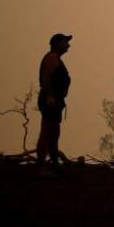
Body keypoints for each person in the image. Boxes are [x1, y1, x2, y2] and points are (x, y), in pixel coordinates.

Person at [36, 33, 73, 173]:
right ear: (57, 43)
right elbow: (46, 78)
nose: (68, 45)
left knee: (54, 133)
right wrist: (50, 96)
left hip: (56, 100)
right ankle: (41, 166)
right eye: (65, 42)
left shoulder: (55, 58)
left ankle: (55, 165)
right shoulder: (51, 58)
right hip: (50, 100)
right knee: (46, 132)